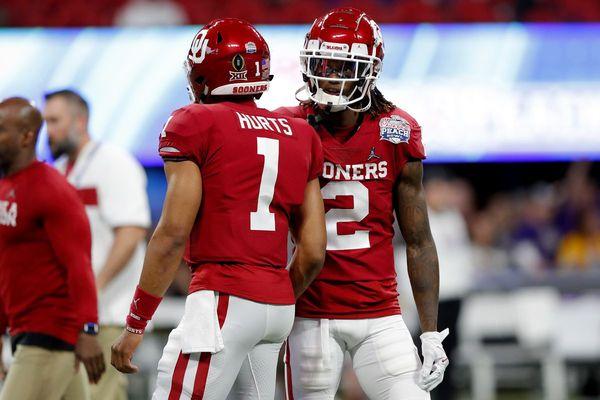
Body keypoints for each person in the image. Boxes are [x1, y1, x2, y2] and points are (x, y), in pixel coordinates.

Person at [110, 18, 326, 399]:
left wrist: (135, 323)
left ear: (202, 76)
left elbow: (173, 233)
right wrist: (268, 293)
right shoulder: (301, 133)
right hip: (277, 307)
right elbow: (312, 252)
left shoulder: (195, 122)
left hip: (223, 298)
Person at [275, 8, 449, 399]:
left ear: (369, 71)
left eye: (342, 66)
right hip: (309, 314)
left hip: (380, 314)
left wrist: (431, 332)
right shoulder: (288, 127)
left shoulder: (395, 131)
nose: (331, 76)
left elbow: (419, 240)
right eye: (324, 64)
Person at [43, 89, 151, 400]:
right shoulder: (59, 170)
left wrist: (94, 286)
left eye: (54, 120)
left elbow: (131, 232)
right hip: (69, 316)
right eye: (45, 122)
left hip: (107, 314)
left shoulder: (114, 162)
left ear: (80, 120)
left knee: (100, 396)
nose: (47, 130)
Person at [0, 97, 104, 400]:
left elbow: (79, 265)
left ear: (26, 136)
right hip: (28, 331)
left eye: (1, 130)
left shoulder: (52, 190)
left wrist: (89, 330)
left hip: (48, 335)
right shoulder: (8, 187)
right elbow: (8, 267)